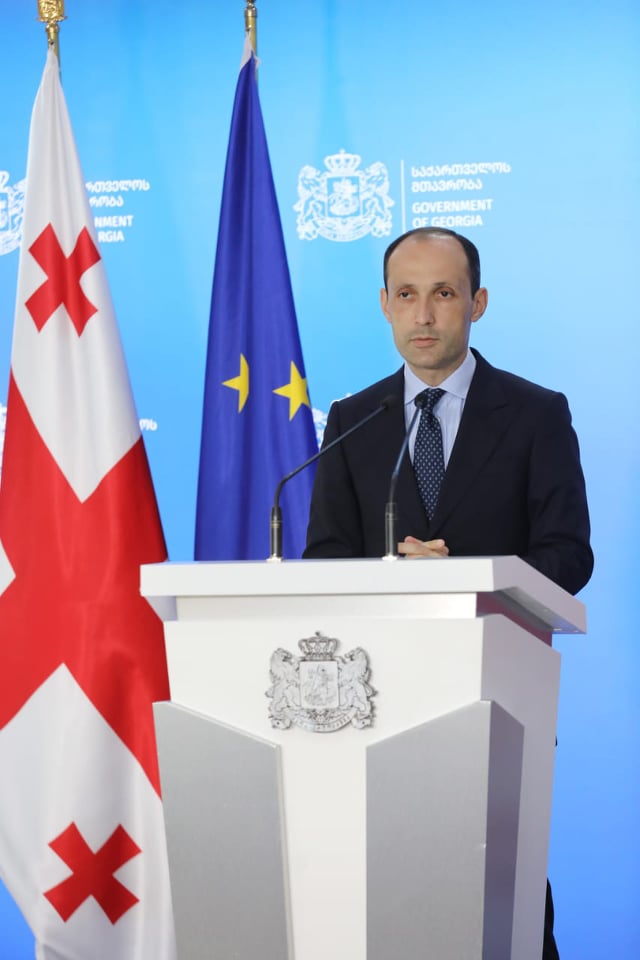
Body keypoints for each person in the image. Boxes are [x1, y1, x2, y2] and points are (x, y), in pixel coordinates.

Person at [303, 226, 593, 959]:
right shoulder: (354, 419)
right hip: (374, 704)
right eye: (407, 295)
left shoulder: (536, 413)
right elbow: (325, 557)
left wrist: (466, 570)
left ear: (477, 302)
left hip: (498, 699)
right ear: (384, 305)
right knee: (388, 903)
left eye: (443, 294)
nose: (424, 315)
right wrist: (393, 573)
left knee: (502, 902)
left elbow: (568, 553)